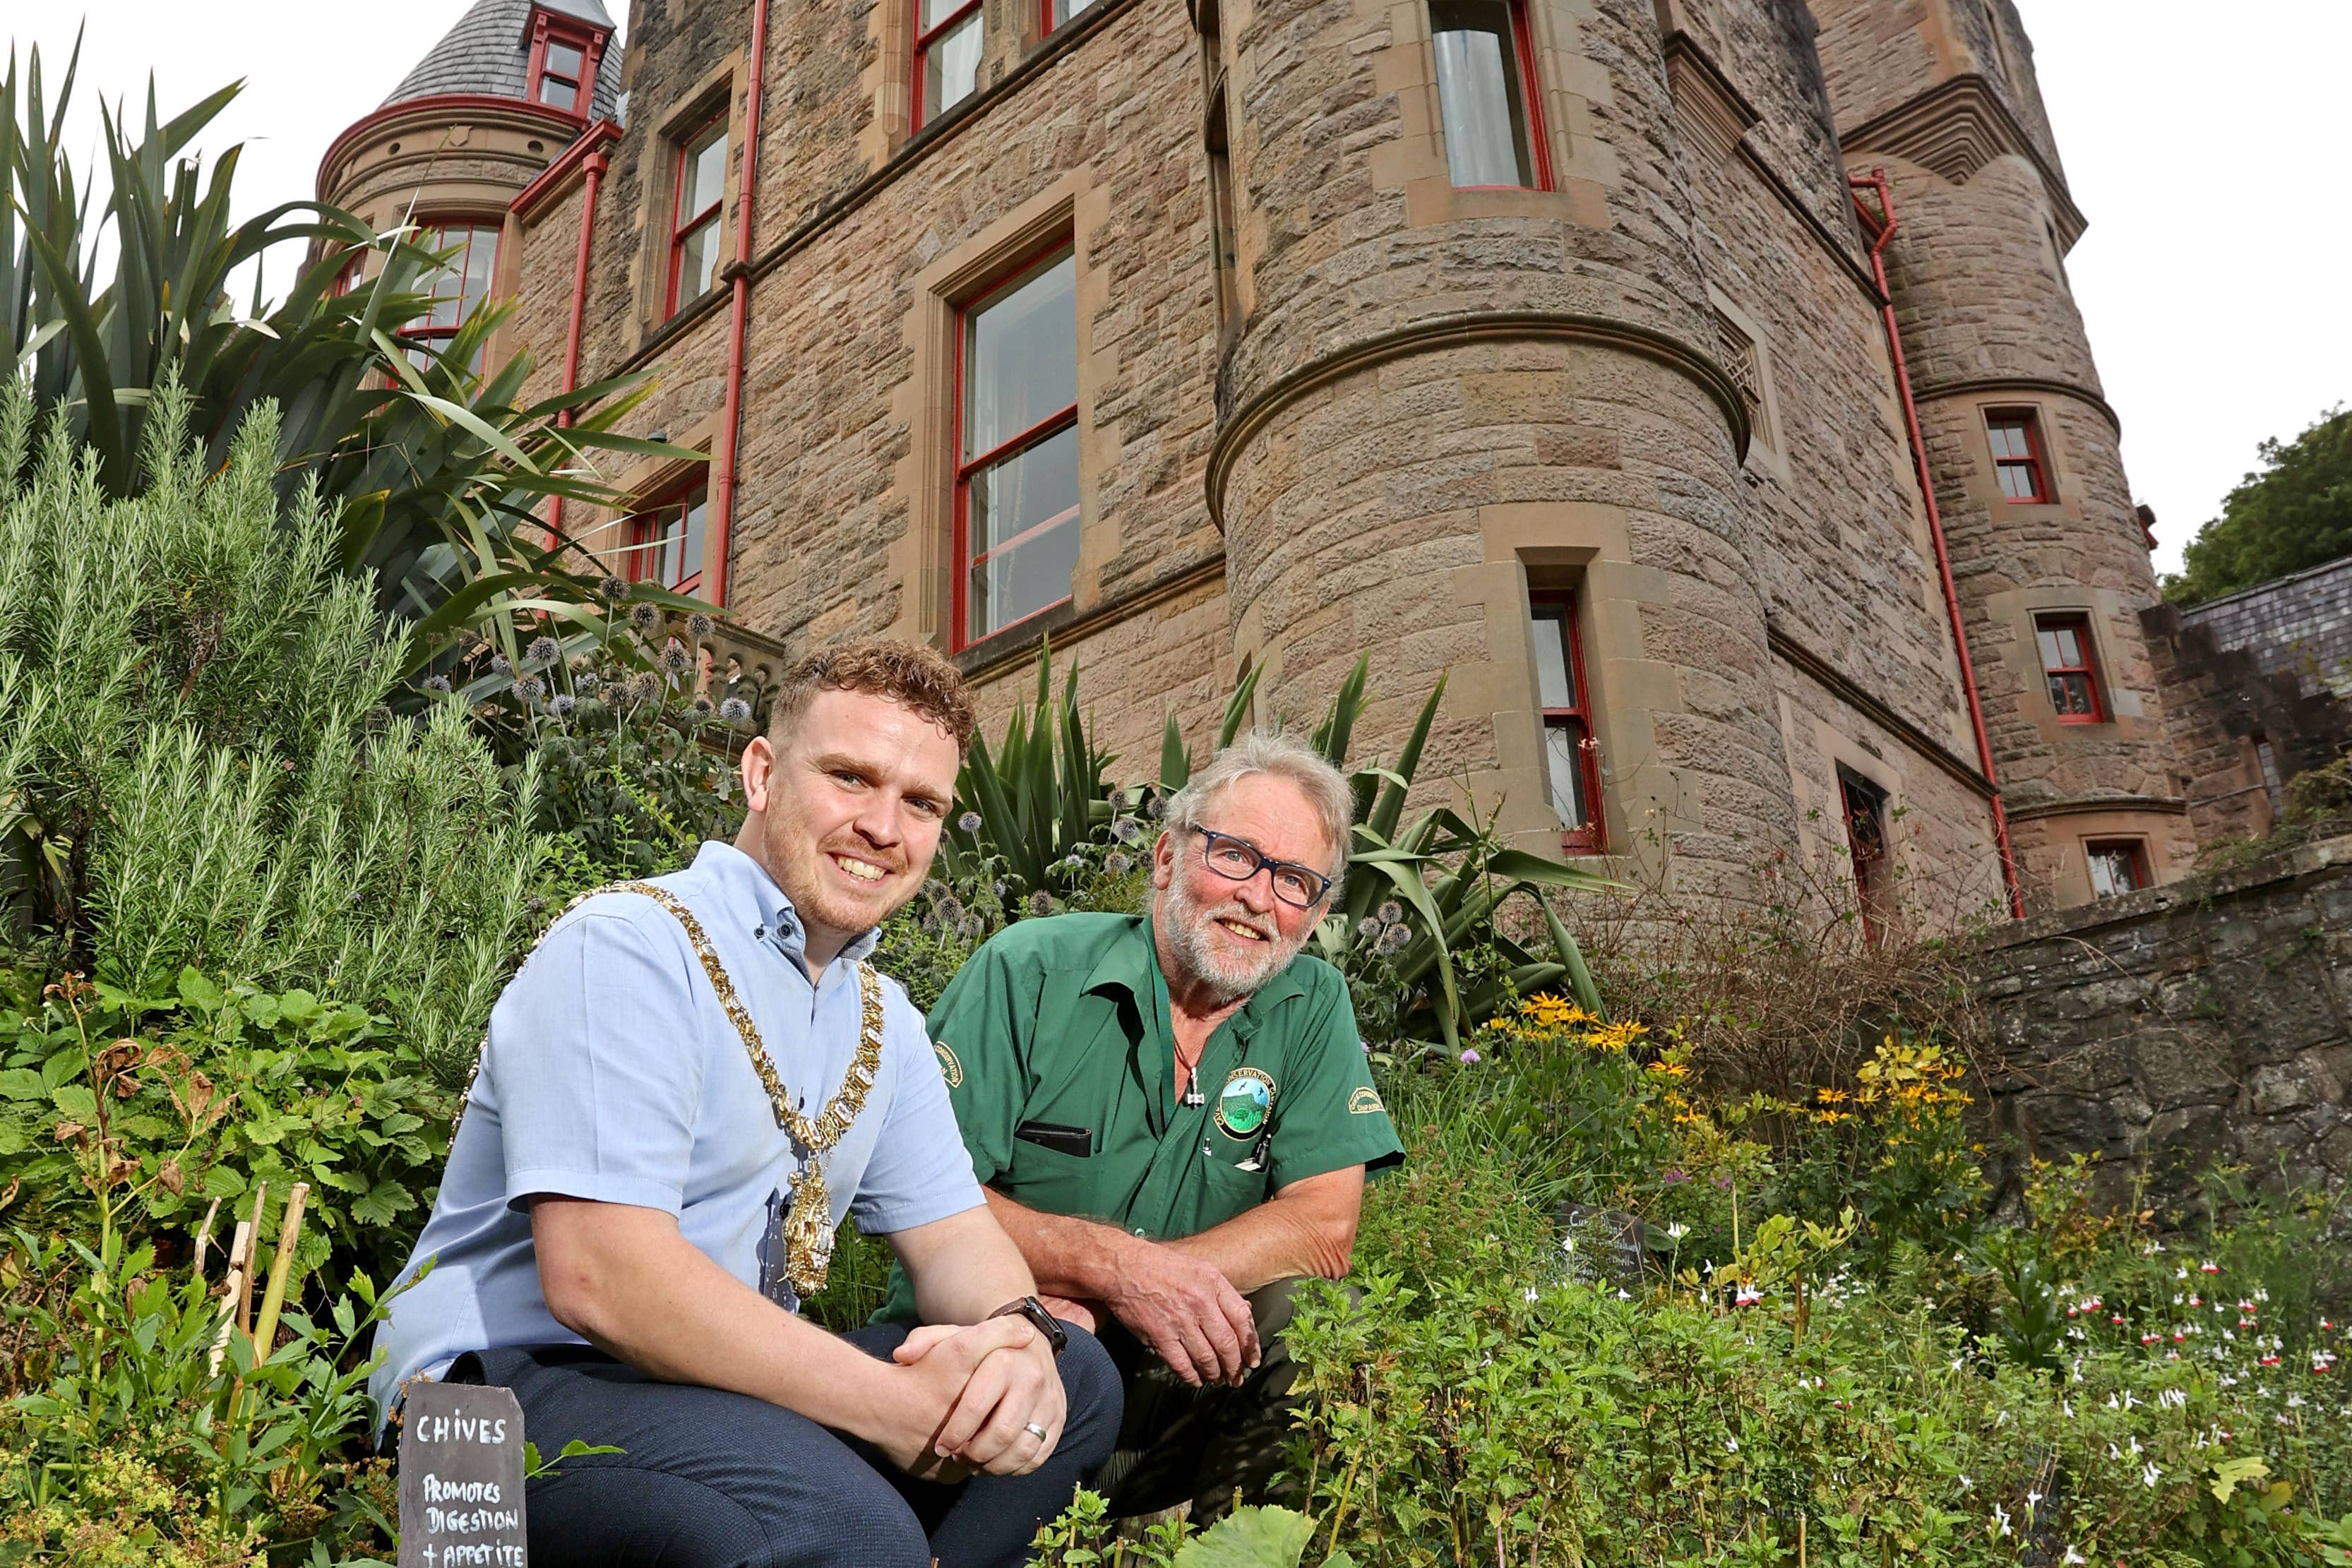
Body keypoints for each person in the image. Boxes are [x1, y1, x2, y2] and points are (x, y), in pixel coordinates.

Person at [370, 640, 1121, 1568]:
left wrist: (1017, 1341)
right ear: (761, 773)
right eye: (850, 777)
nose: (885, 826)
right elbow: (601, 1279)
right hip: (482, 1410)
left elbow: (959, 1239)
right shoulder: (630, 946)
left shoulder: (882, 1020)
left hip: (699, 1400)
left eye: (920, 803)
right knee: (843, 1524)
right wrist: (893, 1409)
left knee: (1074, 1379)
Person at [876, 731, 1404, 1521]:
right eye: (1234, 855)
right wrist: (1094, 1272)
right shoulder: (1029, 971)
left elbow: (1323, 1227)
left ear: (1317, 913)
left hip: (1177, 1391)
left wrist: (1133, 1284)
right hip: (1004, 1356)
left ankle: (1226, 1540)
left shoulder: (1313, 1005)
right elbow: (918, 1197)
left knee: (1325, 1323)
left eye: (1294, 880)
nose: (1259, 898)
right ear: (1165, 858)